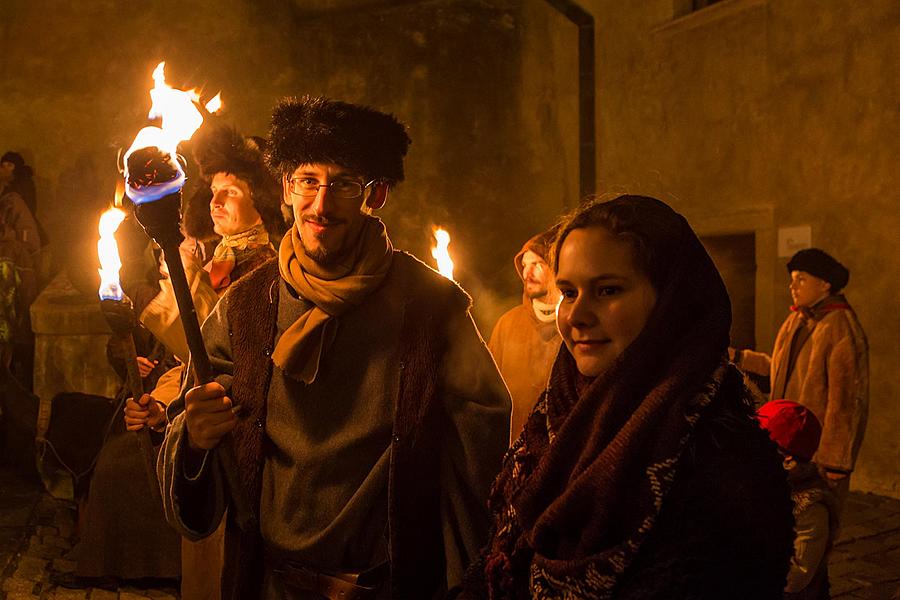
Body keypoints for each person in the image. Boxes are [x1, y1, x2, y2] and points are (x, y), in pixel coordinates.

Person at [156, 96, 511, 600]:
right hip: (269, 585)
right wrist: (196, 434)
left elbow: (482, 462)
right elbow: (192, 430)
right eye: (307, 180)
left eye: (344, 184)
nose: (320, 204)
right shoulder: (245, 306)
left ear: (377, 194)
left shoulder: (432, 307)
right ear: (286, 187)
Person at [463, 195, 794, 599]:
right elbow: (503, 553)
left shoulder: (722, 458)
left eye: (607, 290)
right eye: (568, 292)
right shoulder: (556, 414)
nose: (577, 315)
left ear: (670, 301)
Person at [123, 124, 286, 599]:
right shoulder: (208, 260)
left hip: (249, 453)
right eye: (213, 191)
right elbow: (192, 361)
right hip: (205, 448)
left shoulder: (270, 270)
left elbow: (232, 361)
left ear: (263, 202)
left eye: (231, 191)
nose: (216, 200)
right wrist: (165, 406)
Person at [734, 248, 868, 513]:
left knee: (813, 523)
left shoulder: (840, 327)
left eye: (801, 279)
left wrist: (834, 462)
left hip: (815, 451)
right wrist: (738, 357)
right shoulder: (796, 319)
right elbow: (779, 368)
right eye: (792, 279)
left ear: (825, 284)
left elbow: (847, 400)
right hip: (787, 441)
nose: (792, 286)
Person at [758, 399, 837, 600]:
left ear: (788, 460)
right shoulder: (759, 481)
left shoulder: (810, 508)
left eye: (757, 444)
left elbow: (794, 577)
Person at [488, 227, 561, 443]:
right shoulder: (508, 324)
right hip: (512, 452)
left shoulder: (572, 324)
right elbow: (488, 392)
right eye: (524, 265)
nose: (527, 273)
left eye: (538, 264)